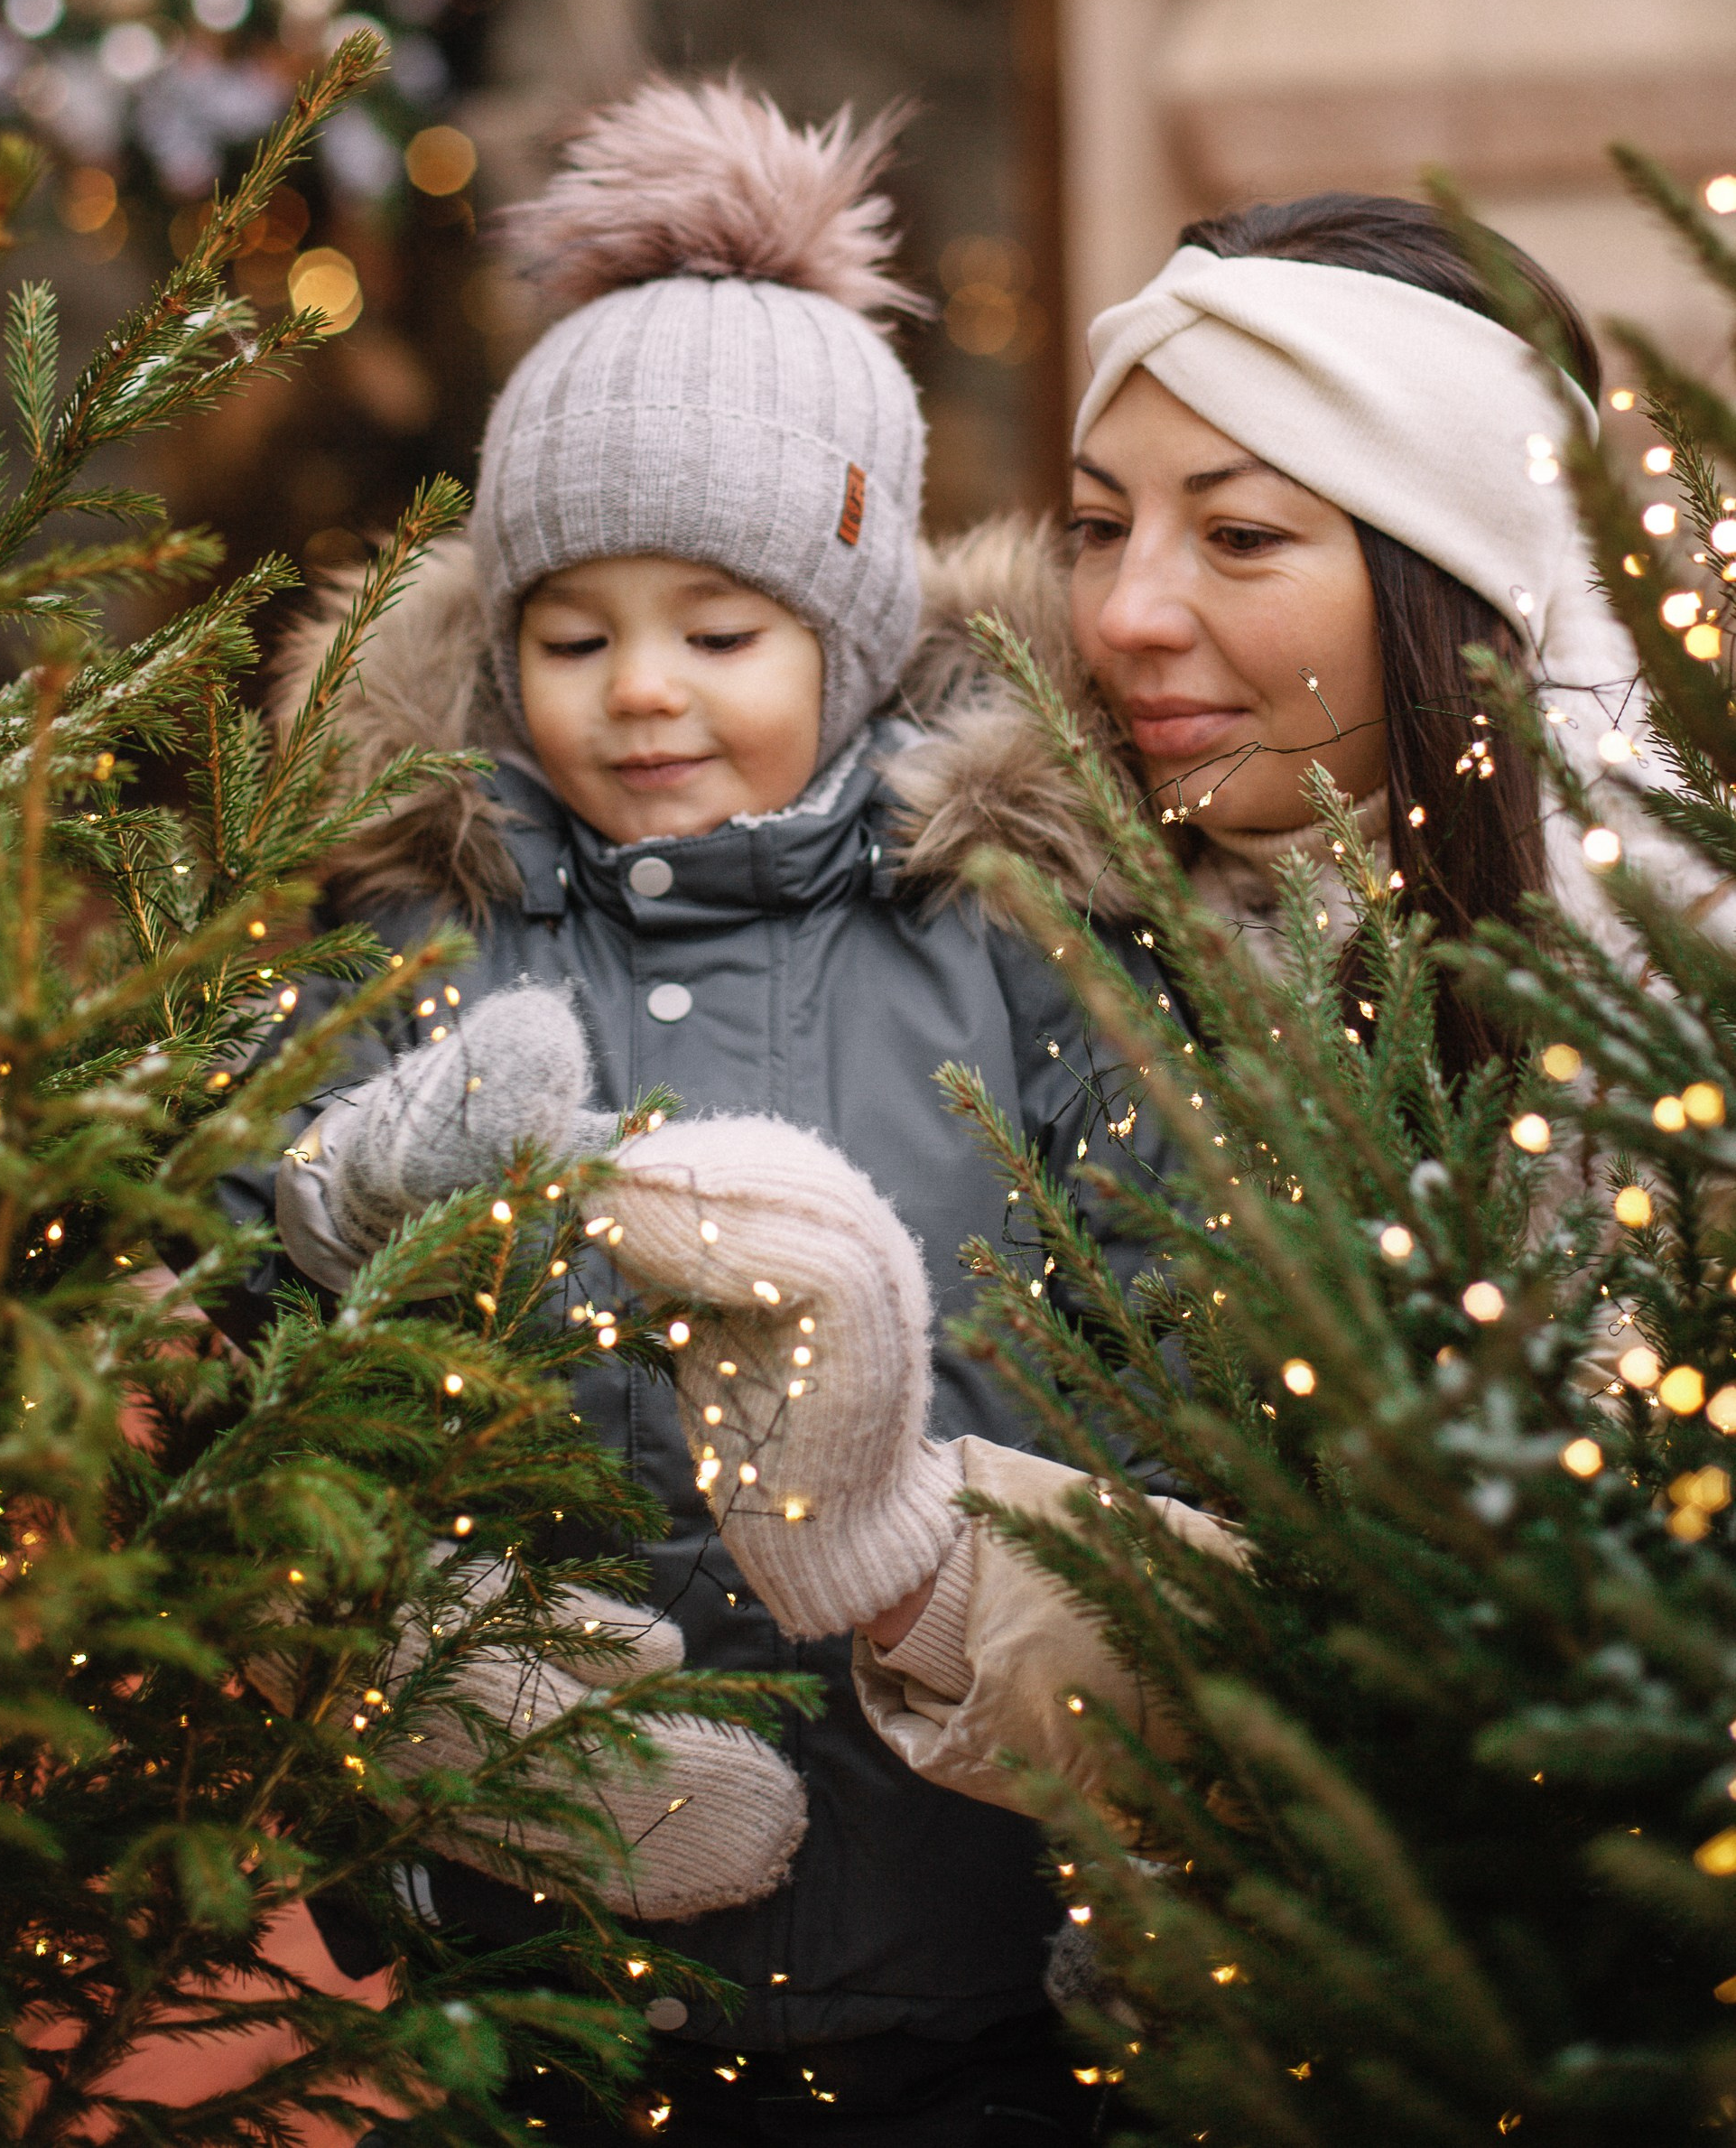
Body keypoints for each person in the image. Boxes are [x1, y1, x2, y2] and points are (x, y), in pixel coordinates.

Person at [226, 78, 1173, 2143]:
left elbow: (1146, 1332)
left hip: (967, 1959)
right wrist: (421, 1680)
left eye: (717, 630)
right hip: (545, 1980)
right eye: (572, 634)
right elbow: (246, 1335)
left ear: (844, 634)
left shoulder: (1007, 939)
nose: (639, 689)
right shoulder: (424, 937)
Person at [594, 191, 1680, 1815]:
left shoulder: (1653, 1030)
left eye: (1239, 535)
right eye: (1099, 524)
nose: (1121, 614)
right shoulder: (986, 906)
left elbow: (1473, 1701)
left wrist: (918, 1560)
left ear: (1452, 582)